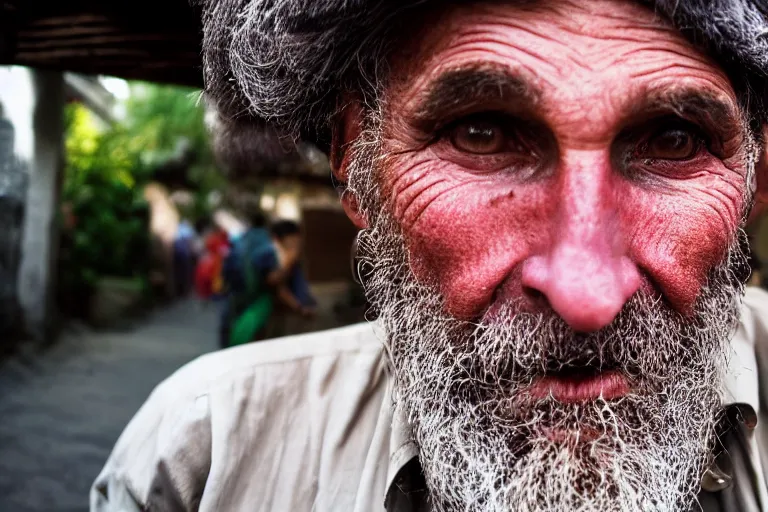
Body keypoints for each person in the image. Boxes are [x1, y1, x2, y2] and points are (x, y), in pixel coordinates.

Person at [92, 1, 768, 511]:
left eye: (676, 141)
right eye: (482, 134)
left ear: (754, 180)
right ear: (355, 161)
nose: (585, 293)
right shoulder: (209, 457)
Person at [218, 218, 315, 348]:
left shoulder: (266, 249)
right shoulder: (269, 253)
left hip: (248, 308)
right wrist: (300, 308)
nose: (299, 243)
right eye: (295, 239)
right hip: (254, 310)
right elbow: (274, 283)